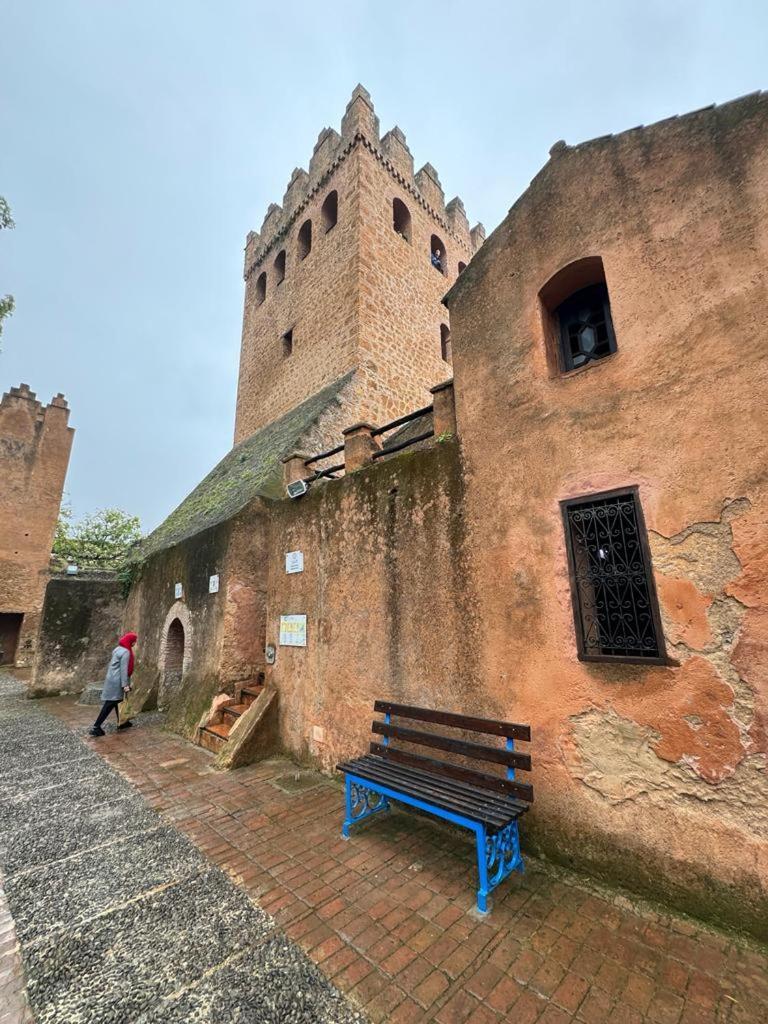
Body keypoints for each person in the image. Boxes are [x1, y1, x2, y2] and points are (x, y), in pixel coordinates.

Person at [89, 632, 137, 737]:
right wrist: (125, 685)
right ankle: (96, 727)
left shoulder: (117, 649)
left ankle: (123, 723)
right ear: (130, 641)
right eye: (134, 641)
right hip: (117, 681)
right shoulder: (126, 652)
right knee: (110, 704)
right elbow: (123, 670)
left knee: (118, 701)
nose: (134, 643)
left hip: (111, 678)